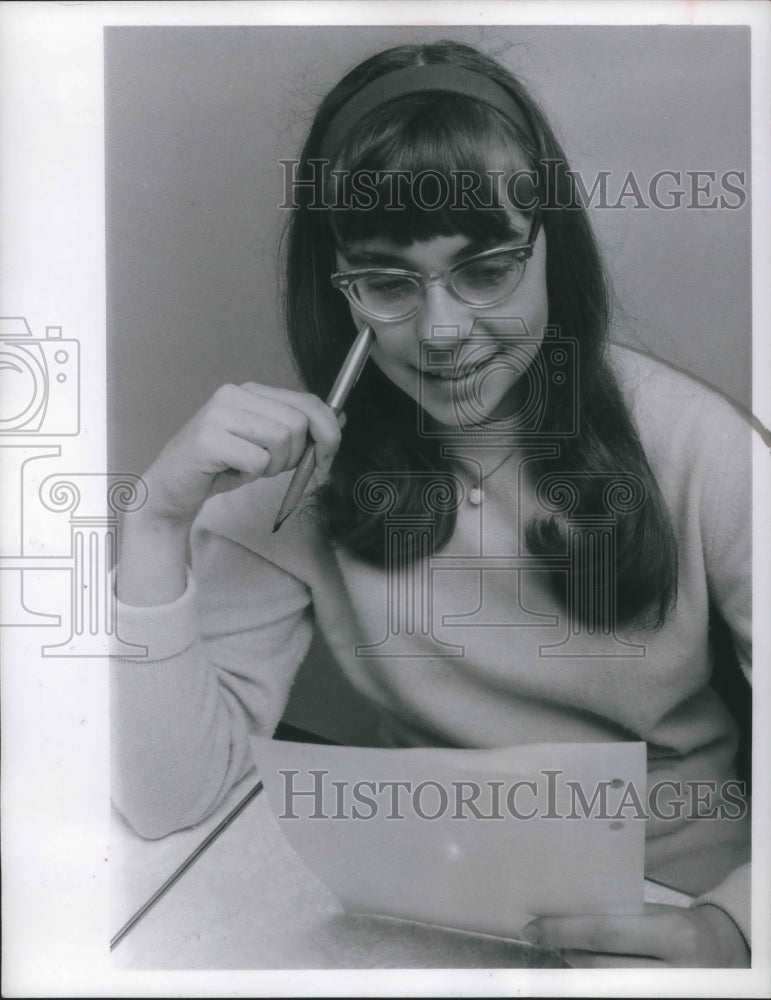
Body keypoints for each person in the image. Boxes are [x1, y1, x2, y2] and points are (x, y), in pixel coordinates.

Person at [112, 40, 754, 967]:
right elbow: (168, 798)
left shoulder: (700, 447)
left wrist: (737, 924)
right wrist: (155, 519)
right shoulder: (297, 467)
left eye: (486, 269)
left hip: (676, 906)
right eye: (386, 283)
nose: (443, 329)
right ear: (340, 287)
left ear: (549, 251)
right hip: (440, 903)